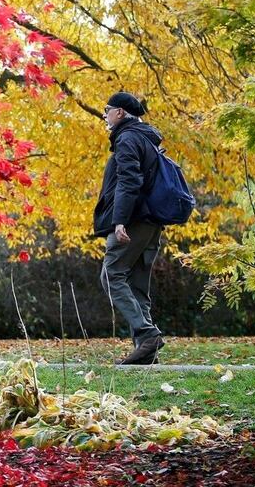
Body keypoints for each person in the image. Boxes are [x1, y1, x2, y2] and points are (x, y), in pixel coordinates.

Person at [93, 92, 165, 365]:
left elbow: (128, 182)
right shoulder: (147, 139)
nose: (105, 115)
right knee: (136, 284)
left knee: (111, 275)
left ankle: (147, 335)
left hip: (133, 221)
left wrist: (119, 220)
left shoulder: (127, 139)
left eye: (107, 109)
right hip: (150, 222)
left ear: (120, 113)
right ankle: (146, 352)